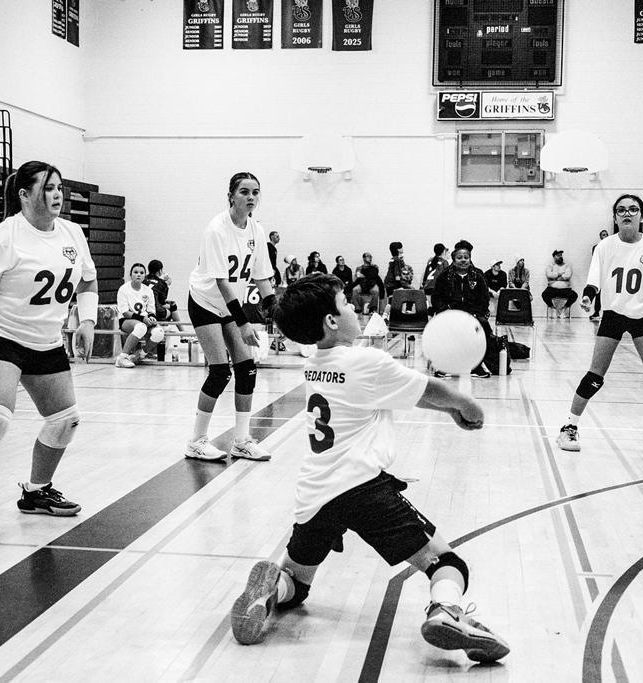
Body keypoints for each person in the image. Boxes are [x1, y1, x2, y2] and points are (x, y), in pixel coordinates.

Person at [228, 274, 509, 664]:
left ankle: (273, 588)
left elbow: (399, 393)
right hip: (364, 490)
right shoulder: (365, 361)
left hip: (315, 493)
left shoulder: (314, 364)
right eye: (345, 303)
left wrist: (449, 410)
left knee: (297, 582)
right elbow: (427, 389)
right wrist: (465, 405)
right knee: (447, 564)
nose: (354, 308)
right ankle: (445, 609)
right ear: (331, 320)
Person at [0, 160, 98, 537]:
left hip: (45, 340)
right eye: (48, 188)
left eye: (59, 187)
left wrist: (88, 322)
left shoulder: (73, 233)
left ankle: (37, 491)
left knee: (66, 419)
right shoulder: (1, 239)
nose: (57, 195)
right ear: (24, 195)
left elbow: (88, 281)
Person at [556, 194, 643, 456]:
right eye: (621, 210)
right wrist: (588, 297)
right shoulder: (605, 246)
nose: (627, 213)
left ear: (642, 215)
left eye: (633, 209)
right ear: (615, 217)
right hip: (613, 314)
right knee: (595, 376)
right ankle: (569, 427)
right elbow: (593, 281)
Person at [184, 171, 277, 462]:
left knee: (247, 368)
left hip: (229, 305)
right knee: (220, 371)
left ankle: (241, 440)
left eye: (255, 192)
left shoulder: (256, 231)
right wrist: (244, 322)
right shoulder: (217, 229)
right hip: (205, 300)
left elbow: (262, 278)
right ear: (231, 196)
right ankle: (196, 441)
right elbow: (222, 283)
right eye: (244, 192)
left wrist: (277, 312)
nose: (251, 197)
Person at [432, 245, 493, 378]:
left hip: (472, 315)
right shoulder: (444, 276)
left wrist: (477, 313)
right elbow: (436, 298)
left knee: (483, 327)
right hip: (450, 314)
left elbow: (484, 299)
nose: (463, 260)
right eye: (459, 258)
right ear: (454, 260)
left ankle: (476, 366)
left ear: (470, 259)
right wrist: (445, 310)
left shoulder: (478, 276)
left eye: (466, 257)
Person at [114, 262, 163, 368]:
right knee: (141, 327)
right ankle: (121, 358)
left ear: (145, 275)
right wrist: (143, 319)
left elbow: (151, 311)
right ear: (130, 274)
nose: (138, 275)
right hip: (126, 320)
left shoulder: (148, 290)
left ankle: (139, 355)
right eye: (135, 272)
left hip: (144, 320)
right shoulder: (123, 289)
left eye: (141, 273)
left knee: (159, 332)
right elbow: (125, 312)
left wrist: (152, 318)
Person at [541, 249, 578, 314]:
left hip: (565, 289)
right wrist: (560, 274)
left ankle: (564, 308)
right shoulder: (550, 266)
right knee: (544, 294)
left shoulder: (567, 266)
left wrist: (554, 277)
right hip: (552, 289)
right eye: (558, 255)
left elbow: (568, 275)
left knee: (574, 295)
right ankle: (552, 308)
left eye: (561, 255)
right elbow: (549, 275)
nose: (560, 257)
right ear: (554, 257)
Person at [590, 230, 610, 320]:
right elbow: (596, 260)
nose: (605, 236)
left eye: (606, 234)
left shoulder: (612, 246)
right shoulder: (596, 247)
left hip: (609, 272)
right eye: (603, 235)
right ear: (600, 237)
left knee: (609, 294)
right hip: (600, 273)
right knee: (598, 293)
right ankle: (596, 312)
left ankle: (608, 313)